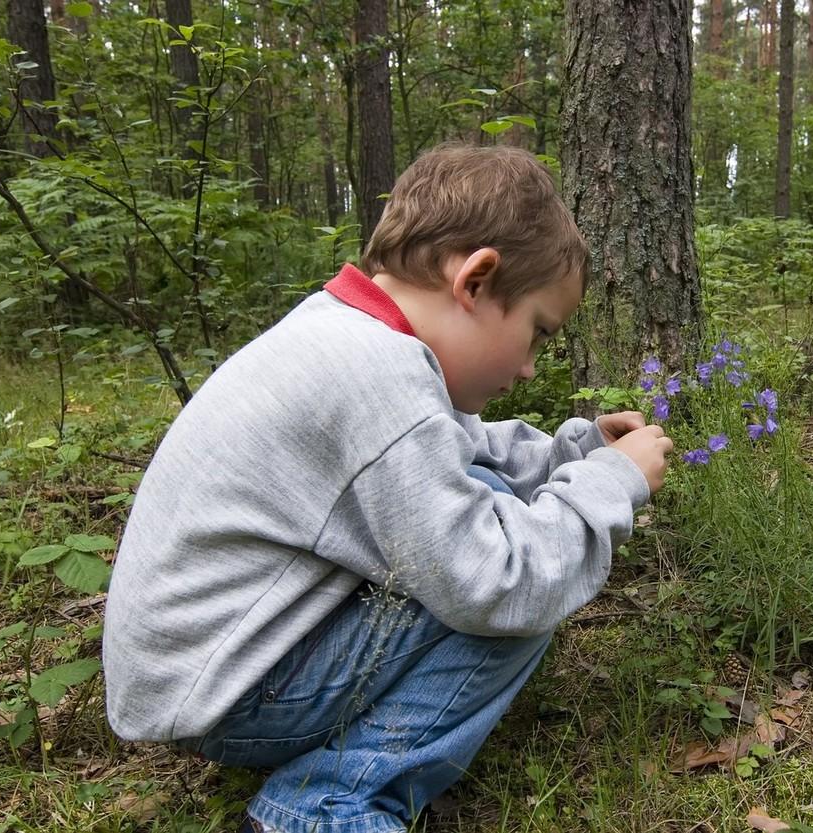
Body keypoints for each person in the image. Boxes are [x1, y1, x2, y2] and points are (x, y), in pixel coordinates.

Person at [102, 143, 674, 833]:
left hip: (209, 670)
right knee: (519, 578)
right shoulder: (377, 377)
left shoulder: (349, 334)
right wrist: (608, 486)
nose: (527, 367)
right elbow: (497, 580)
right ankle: (325, 806)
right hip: (230, 690)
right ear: (475, 280)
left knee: (496, 509)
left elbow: (462, 451)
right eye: (537, 333)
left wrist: (574, 453)